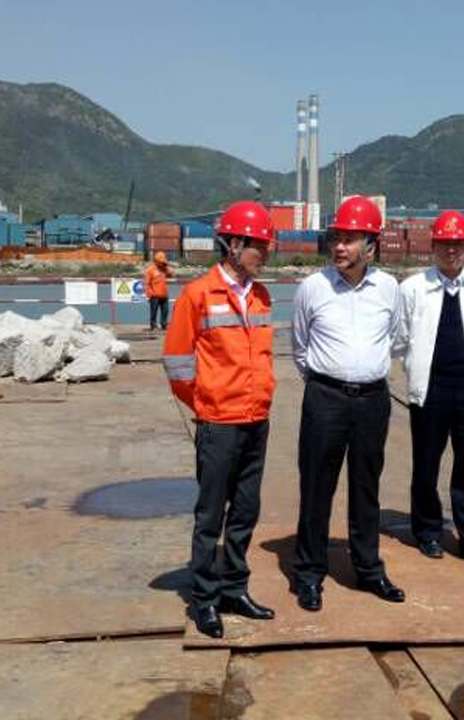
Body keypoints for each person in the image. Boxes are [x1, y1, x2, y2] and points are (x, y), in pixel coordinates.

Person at [162, 201, 277, 638]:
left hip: (256, 419)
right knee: (211, 515)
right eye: (259, 246)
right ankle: (205, 599)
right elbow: (177, 363)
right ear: (233, 244)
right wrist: (206, 402)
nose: (265, 254)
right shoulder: (197, 295)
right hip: (218, 423)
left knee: (246, 511)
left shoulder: (261, 295)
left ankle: (234, 588)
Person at [291, 195, 404, 612]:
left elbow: (396, 337)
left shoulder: (389, 288)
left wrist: (364, 370)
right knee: (316, 487)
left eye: (349, 239)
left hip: (373, 401)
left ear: (370, 246)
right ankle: (309, 574)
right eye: (336, 238)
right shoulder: (312, 288)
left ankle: (369, 569)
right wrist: (330, 380)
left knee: (366, 487)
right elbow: (299, 347)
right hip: (325, 399)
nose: (339, 246)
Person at [397, 210, 464, 569]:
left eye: (457, 243)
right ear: (433, 246)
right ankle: (427, 532)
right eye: (444, 243)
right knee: (426, 465)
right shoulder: (412, 288)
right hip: (430, 392)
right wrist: (416, 369)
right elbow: (400, 339)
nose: (451, 250)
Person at [144, 251, 174, 330]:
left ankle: (164, 325)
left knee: (165, 311)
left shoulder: (164, 269)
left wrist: (166, 266)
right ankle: (153, 325)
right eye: (161, 262)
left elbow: (171, 274)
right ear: (156, 261)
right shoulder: (150, 270)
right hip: (154, 295)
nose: (162, 263)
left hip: (164, 295)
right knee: (154, 311)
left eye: (163, 262)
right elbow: (146, 283)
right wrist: (149, 293)